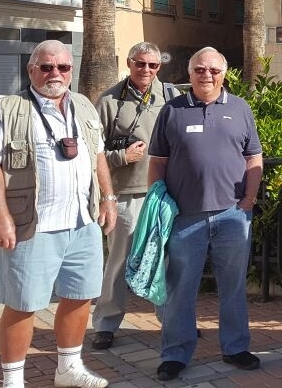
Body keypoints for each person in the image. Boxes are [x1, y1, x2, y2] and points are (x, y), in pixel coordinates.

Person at [0, 40, 118, 388]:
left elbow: (97, 154)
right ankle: (13, 381)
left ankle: (68, 368)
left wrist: (108, 197)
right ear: (31, 70)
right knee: (23, 304)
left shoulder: (83, 105)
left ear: (71, 70)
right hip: (32, 226)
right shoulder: (9, 109)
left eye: (63, 67)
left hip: (82, 223)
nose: (55, 73)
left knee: (80, 296)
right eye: (47, 67)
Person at [147, 47, 263, 381]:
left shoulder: (240, 108)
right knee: (180, 289)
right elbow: (158, 162)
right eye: (199, 69)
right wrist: (159, 203)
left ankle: (235, 348)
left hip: (232, 215)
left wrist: (249, 200)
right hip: (184, 217)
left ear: (224, 73)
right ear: (190, 73)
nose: (206, 75)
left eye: (213, 70)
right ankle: (175, 354)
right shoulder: (172, 110)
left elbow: (253, 158)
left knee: (233, 286)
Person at [90, 42, 169, 350]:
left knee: (165, 260)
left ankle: (171, 320)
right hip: (124, 195)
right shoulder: (109, 100)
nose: (146, 70)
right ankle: (106, 324)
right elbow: (93, 152)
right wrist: (121, 157)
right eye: (140, 63)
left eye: (153, 65)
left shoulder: (170, 97)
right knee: (118, 261)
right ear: (129, 63)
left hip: (161, 193)